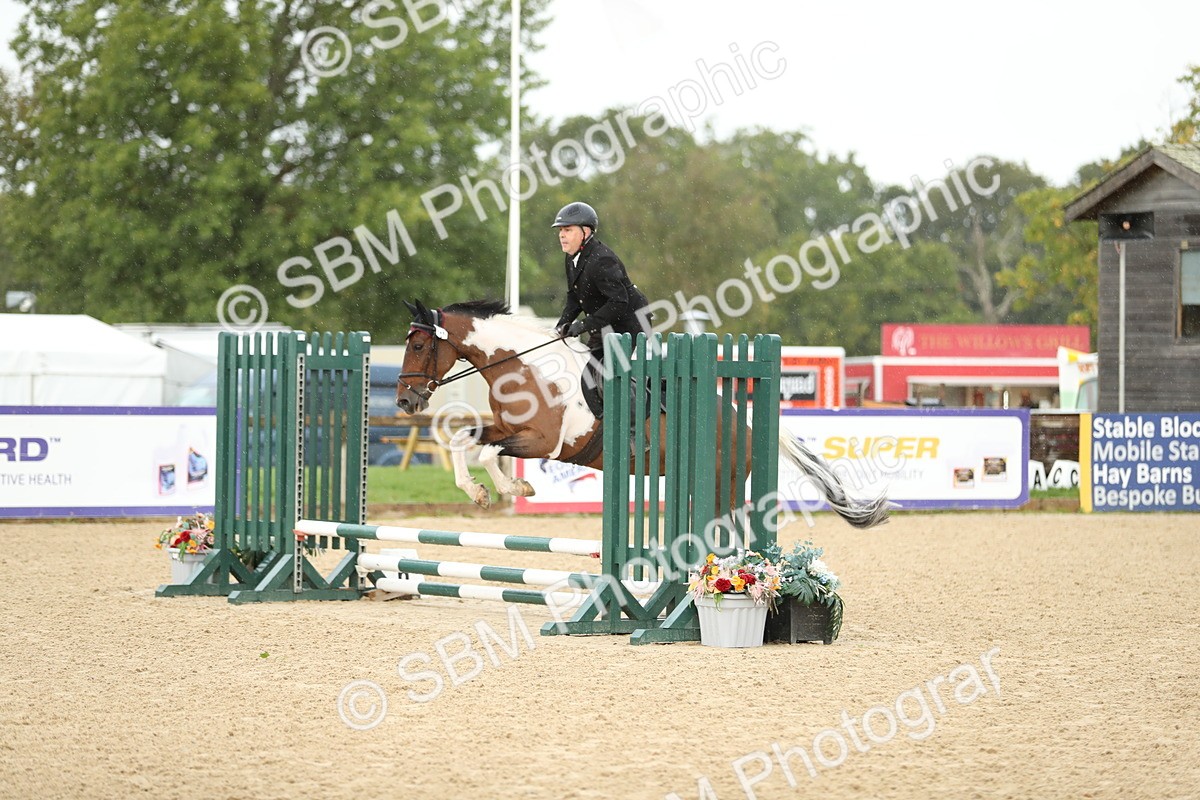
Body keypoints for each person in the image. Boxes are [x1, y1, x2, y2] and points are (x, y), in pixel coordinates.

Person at [551, 201, 650, 417]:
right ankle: (606, 431)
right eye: (560, 230)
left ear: (585, 232)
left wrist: (582, 325)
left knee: (598, 379)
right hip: (606, 326)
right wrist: (561, 325)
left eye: (568, 230)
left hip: (630, 325)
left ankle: (633, 433)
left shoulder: (601, 259)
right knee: (588, 381)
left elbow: (619, 302)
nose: (562, 235)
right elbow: (574, 298)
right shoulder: (572, 259)